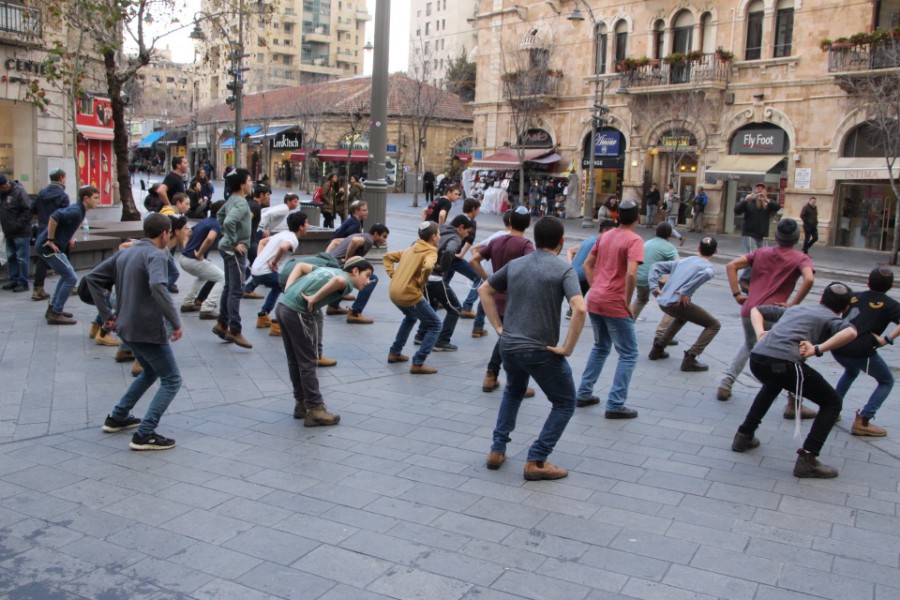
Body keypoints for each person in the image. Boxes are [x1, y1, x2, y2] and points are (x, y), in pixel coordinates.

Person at [481, 216, 587, 481]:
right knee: (564, 402)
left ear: (535, 239)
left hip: (510, 345)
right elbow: (580, 308)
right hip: (540, 349)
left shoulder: (516, 265)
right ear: (561, 242)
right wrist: (567, 348)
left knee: (513, 391)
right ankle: (537, 458)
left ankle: (497, 449)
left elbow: (485, 290)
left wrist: (498, 327)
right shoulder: (563, 270)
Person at [731, 283, 857, 479]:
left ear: (821, 299)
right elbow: (851, 332)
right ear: (845, 308)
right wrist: (817, 349)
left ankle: (744, 435)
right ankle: (808, 459)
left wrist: (760, 334)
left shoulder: (797, 308)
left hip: (757, 358)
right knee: (832, 402)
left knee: (772, 384)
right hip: (784, 363)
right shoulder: (832, 317)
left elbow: (756, 309)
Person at [86, 213, 184, 451]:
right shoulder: (156, 255)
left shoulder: (126, 253)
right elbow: (158, 287)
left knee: (149, 371)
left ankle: (118, 416)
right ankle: (145, 433)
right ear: (165, 233)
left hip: (125, 327)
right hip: (147, 328)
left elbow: (92, 278)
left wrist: (107, 315)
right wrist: (176, 321)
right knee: (172, 380)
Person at [718, 218, 817, 419]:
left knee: (748, 344)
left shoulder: (761, 252)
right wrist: (793, 304)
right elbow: (809, 278)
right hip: (775, 313)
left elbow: (731, 265)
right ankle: (794, 402)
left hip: (750, 310)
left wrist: (737, 294)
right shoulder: (800, 258)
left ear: (777, 235)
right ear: (797, 237)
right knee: (793, 353)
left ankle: (725, 383)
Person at [277, 257, 375, 425]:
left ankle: (301, 404)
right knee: (308, 361)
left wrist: (289, 289)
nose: (369, 281)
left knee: (295, 360)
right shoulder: (345, 280)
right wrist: (314, 298)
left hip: (283, 307)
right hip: (298, 312)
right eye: (367, 275)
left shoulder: (329, 270)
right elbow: (339, 281)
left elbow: (300, 266)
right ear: (356, 271)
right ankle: (315, 409)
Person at [574, 198, 643, 416]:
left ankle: (584, 393)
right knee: (629, 353)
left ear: (617, 217)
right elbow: (631, 273)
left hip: (596, 298)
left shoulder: (605, 236)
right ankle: (615, 403)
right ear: (637, 218)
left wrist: (596, 286)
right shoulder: (635, 240)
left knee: (601, 346)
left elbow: (587, 264)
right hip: (614, 301)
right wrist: (627, 300)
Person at [832, 266, 900, 437]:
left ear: (868, 282)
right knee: (886, 381)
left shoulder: (853, 296)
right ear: (890, 286)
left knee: (851, 371)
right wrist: (887, 339)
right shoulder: (891, 305)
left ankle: (831, 409)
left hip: (837, 345)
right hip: (860, 350)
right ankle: (864, 419)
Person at [647, 236, 721, 372]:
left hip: (663, 301)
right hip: (675, 303)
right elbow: (708, 273)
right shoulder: (708, 268)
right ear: (715, 251)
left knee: (683, 316)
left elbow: (655, 266)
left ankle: (658, 348)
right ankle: (691, 357)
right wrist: (684, 292)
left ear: (698, 249)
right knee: (714, 325)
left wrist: (654, 287)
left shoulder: (684, 261)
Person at [36, 185, 100, 325]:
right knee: (71, 278)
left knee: (67, 276)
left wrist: (69, 238)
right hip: (48, 248)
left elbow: (65, 224)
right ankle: (55, 312)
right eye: (95, 198)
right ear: (86, 198)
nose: (98, 201)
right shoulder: (76, 211)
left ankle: (54, 308)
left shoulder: (80, 210)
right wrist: (50, 240)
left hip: (52, 248)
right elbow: (54, 217)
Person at [383, 222, 441, 374]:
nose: (439, 236)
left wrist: (393, 275)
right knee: (435, 325)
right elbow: (428, 267)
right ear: (434, 237)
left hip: (394, 292)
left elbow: (387, 257)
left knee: (410, 317)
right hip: (409, 294)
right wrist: (422, 281)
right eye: (439, 234)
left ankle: (394, 352)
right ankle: (418, 362)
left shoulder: (410, 249)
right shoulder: (431, 251)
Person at [414, 214, 471, 352]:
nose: (467, 235)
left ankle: (421, 335)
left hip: (423, 274)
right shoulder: (456, 238)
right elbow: (449, 251)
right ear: (461, 227)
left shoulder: (441, 228)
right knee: (455, 308)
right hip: (435, 276)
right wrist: (443, 270)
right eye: (467, 231)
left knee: (432, 303)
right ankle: (442, 341)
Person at [248, 212, 309, 332]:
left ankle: (263, 315)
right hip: (266, 273)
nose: (308, 225)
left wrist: (260, 259)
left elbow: (262, 242)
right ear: (301, 227)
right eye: (307, 222)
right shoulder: (293, 239)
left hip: (256, 271)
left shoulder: (284, 234)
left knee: (277, 287)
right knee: (292, 290)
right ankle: (277, 324)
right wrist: (274, 262)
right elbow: (283, 247)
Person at [214, 168, 253, 348]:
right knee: (237, 290)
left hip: (226, 247)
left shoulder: (232, 200)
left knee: (229, 286)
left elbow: (220, 214)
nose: (251, 183)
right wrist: (234, 241)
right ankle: (235, 330)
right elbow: (229, 221)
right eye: (249, 180)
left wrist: (226, 236)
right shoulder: (241, 203)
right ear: (242, 185)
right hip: (235, 251)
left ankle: (222, 324)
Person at [323, 224, 390, 323]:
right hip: (339, 265)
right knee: (372, 279)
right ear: (376, 234)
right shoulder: (368, 240)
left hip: (332, 263)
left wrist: (327, 256)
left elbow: (335, 241)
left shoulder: (360, 235)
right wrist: (347, 259)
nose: (385, 240)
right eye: (384, 236)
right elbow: (355, 241)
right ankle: (355, 313)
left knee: (352, 273)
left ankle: (333, 306)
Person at [179, 200, 225, 320]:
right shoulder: (216, 224)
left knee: (204, 277)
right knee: (223, 278)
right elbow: (210, 238)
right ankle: (207, 308)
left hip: (184, 258)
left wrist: (186, 247)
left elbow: (188, 232)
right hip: (193, 260)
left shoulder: (205, 221)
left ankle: (188, 303)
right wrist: (199, 253)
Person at [31, 168, 70, 301]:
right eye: (65, 177)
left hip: (42, 229)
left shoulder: (41, 193)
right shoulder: (63, 196)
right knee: (64, 255)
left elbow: (33, 210)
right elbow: (66, 217)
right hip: (58, 231)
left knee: (43, 258)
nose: (65, 180)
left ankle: (38, 288)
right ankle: (69, 283)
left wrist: (43, 219)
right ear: (60, 178)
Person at [734, 182, 781, 290]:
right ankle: (744, 279)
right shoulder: (749, 202)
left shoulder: (767, 204)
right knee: (753, 257)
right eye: (758, 188)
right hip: (749, 234)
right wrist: (746, 199)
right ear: (754, 190)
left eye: (762, 189)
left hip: (761, 235)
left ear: (765, 191)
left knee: (763, 259)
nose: (759, 190)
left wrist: (766, 199)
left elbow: (777, 207)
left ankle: (753, 280)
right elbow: (736, 211)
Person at [631, 221, 679, 320]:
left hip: (638, 277)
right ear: (669, 235)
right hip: (652, 278)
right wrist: (669, 278)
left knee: (641, 299)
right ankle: (662, 332)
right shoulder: (669, 247)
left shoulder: (648, 243)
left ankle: (628, 323)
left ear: (656, 232)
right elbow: (678, 265)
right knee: (672, 302)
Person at [446, 198, 482, 320]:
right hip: (454, 256)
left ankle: (441, 300)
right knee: (479, 278)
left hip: (447, 254)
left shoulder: (458, 218)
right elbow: (470, 240)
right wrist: (461, 254)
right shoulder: (471, 222)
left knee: (444, 279)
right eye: (478, 210)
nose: (478, 212)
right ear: (473, 209)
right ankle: (467, 307)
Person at [0, 174, 33, 293]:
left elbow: (28, 210)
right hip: (9, 231)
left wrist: (17, 225)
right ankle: (14, 279)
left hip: (20, 232)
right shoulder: (3, 194)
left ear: (4, 186)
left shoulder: (19, 192)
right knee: (11, 256)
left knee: (22, 258)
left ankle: (23, 282)